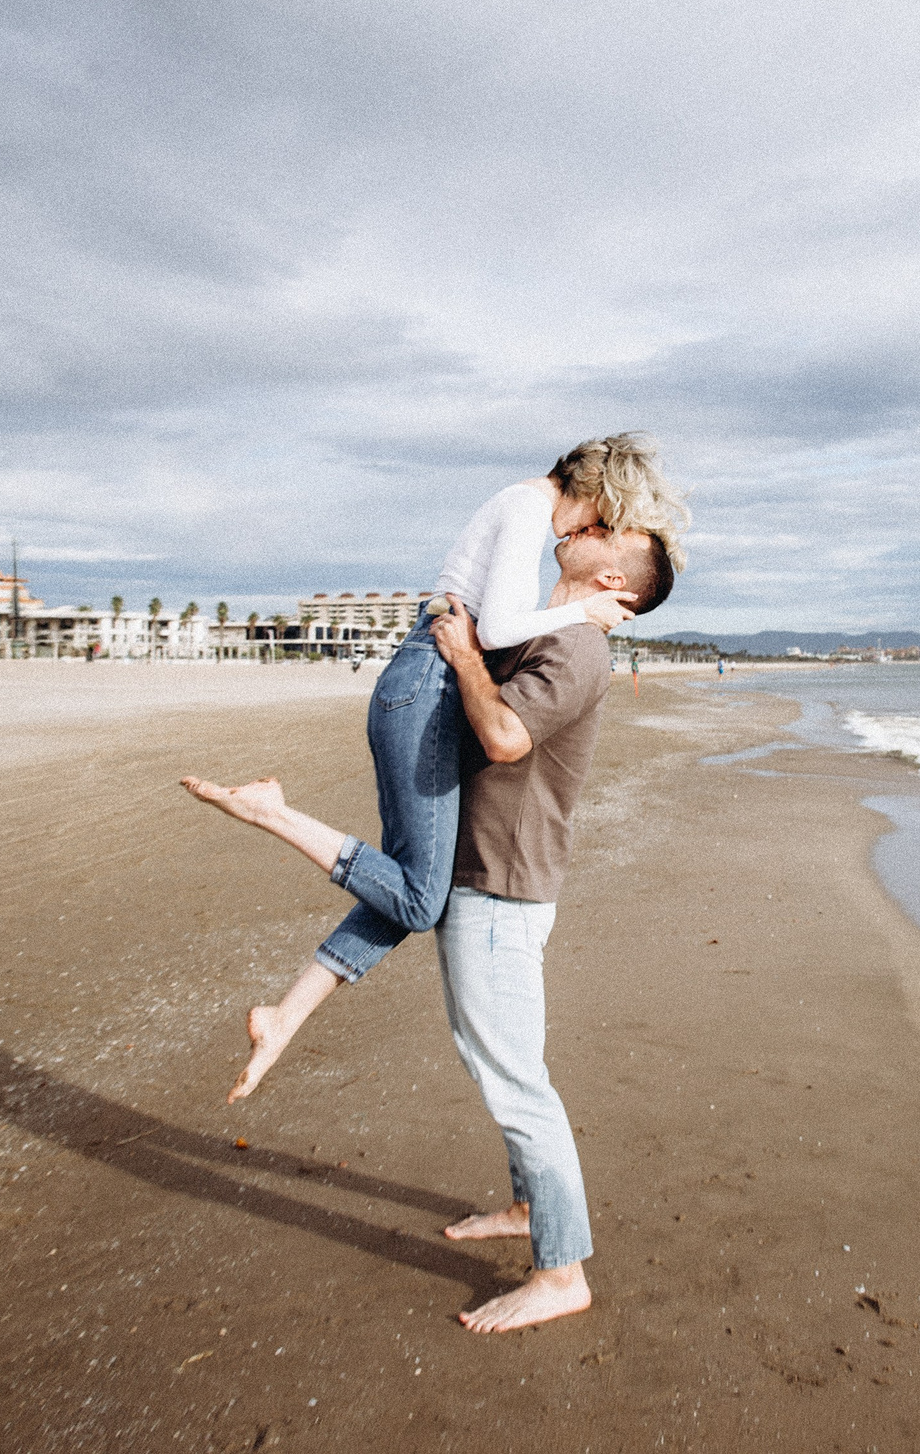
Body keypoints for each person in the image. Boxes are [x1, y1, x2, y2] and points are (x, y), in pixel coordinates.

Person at [184, 524, 672, 1331]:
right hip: (489, 875)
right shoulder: (549, 630)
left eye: (605, 529)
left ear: (616, 576)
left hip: (501, 884)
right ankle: (528, 1208)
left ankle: (562, 1273)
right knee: (508, 1063)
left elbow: (507, 735)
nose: (584, 525)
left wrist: (467, 657)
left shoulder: (581, 647)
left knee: (516, 1082)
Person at [180, 434, 687, 1103]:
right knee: (421, 895)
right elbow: (502, 625)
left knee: (415, 888)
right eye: (600, 517)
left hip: (431, 683)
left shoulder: (530, 515)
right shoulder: (526, 508)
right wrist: (581, 610)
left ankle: (285, 1014)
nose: (591, 529)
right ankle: (272, 812)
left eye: (602, 528)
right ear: (596, 489)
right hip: (426, 680)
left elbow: (503, 632)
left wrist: (575, 618)